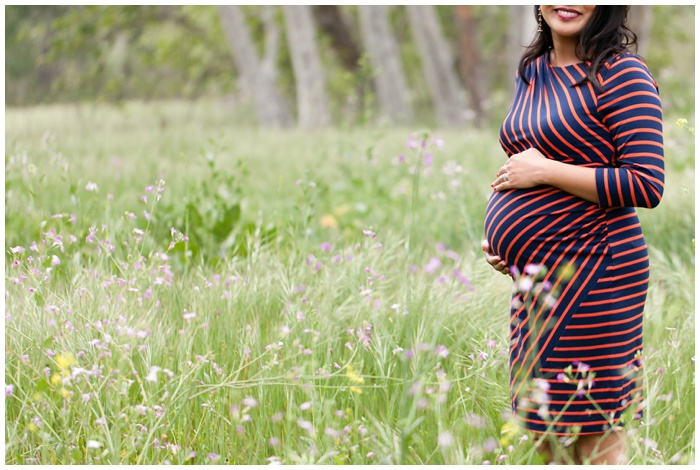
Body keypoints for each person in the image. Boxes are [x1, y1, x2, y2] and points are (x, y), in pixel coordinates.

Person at [482, 5, 664, 465]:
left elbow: (645, 182)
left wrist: (546, 169)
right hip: (536, 281)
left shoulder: (623, 74)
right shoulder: (533, 70)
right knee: (544, 426)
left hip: (597, 273)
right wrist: (507, 243)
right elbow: (525, 167)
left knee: (592, 427)